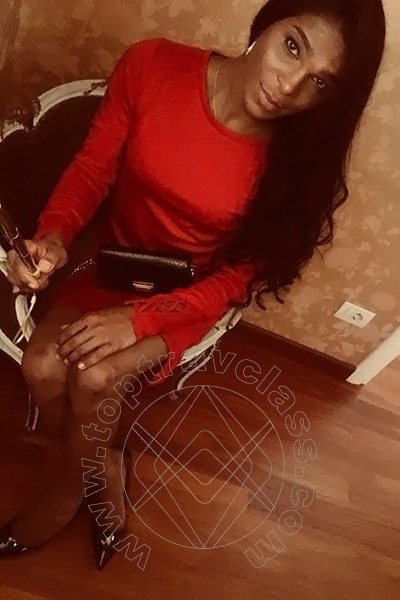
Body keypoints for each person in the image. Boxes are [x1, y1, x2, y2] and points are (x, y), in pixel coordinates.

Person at [1, 0, 386, 568]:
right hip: (114, 258)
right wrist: (54, 236)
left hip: (188, 294)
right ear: (269, 21)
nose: (289, 87)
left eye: (320, 82)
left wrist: (139, 320)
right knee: (41, 368)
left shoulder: (298, 157)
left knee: (96, 378)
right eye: (293, 47)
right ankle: (100, 460)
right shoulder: (153, 65)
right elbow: (92, 170)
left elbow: (239, 276)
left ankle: (66, 491)